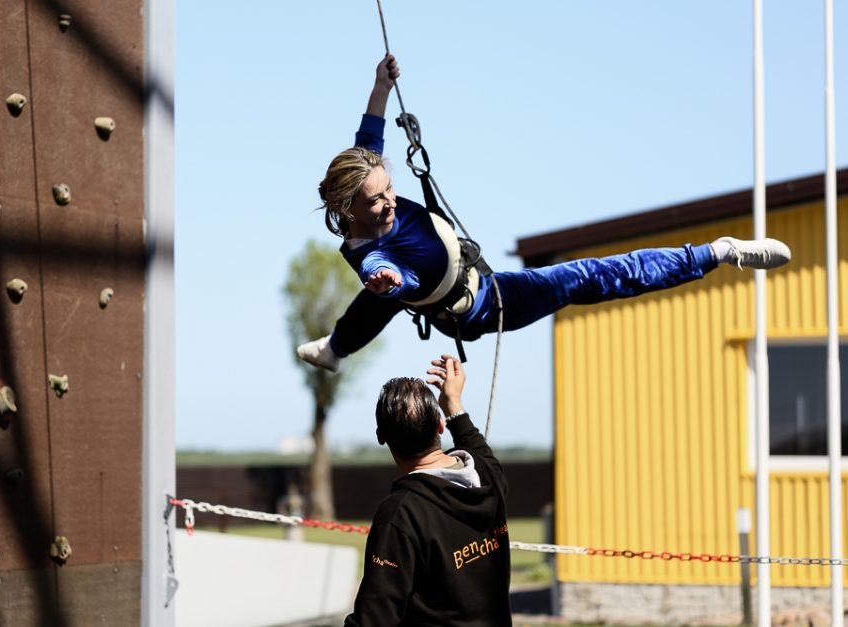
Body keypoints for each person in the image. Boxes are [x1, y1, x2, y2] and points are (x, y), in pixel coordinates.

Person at [297, 54, 793, 372]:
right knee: (583, 278)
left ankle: (335, 349)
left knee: (369, 310)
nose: (388, 203)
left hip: (473, 274)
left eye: (389, 191)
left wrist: (380, 85)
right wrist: (387, 283)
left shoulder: (365, 174)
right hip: (482, 306)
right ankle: (714, 254)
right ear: (348, 208)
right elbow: (389, 281)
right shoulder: (370, 258)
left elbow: (370, 134)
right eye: (376, 201)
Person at [345, 355, 511, 626]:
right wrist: (453, 404)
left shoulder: (400, 514)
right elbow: (477, 446)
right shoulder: (486, 474)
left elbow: (374, 618)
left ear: (381, 436)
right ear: (439, 425)